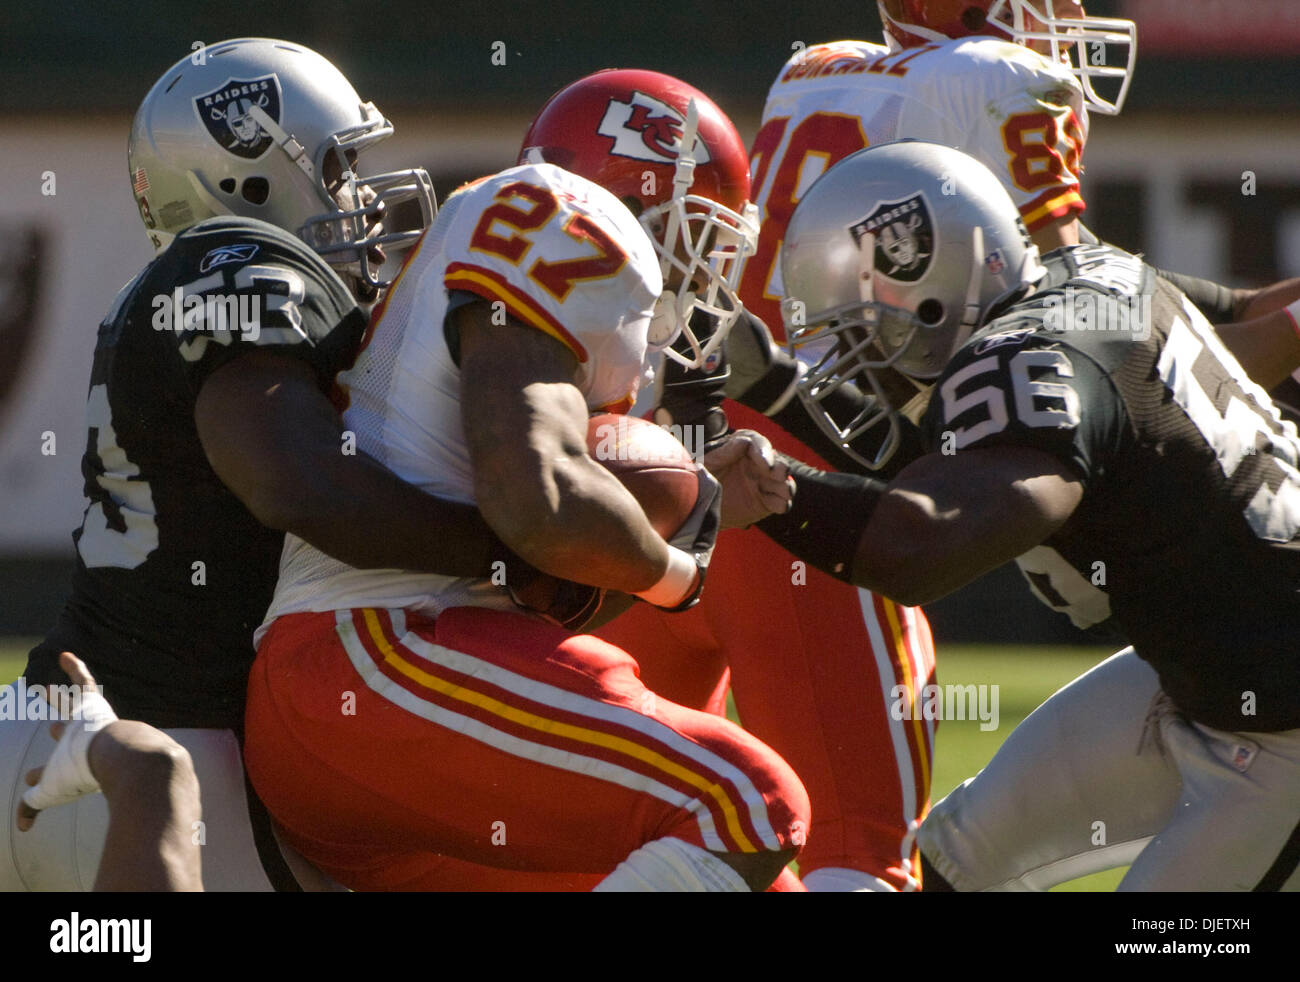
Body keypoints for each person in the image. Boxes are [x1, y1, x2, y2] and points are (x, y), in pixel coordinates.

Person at [243, 69, 809, 892]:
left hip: (431, 680)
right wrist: (681, 568)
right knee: (746, 803)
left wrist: (696, 513)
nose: (711, 264)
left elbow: (554, 579)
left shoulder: (581, 307)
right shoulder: (565, 215)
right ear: (648, 194)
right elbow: (535, 502)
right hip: (367, 657)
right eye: (702, 228)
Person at [2, 36, 542, 892]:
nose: (358, 196)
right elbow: (299, 482)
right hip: (166, 755)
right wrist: (512, 553)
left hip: (56, 737)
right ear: (248, 174)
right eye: (339, 167)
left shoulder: (170, 287)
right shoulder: (244, 262)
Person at [759, 139, 1300, 891]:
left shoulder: (1026, 367)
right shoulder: (1091, 282)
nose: (859, 351)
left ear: (932, 284)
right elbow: (944, 461)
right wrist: (771, 384)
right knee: (951, 864)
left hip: (1284, 730)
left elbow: (922, 543)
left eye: (865, 325)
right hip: (1199, 676)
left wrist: (761, 490)